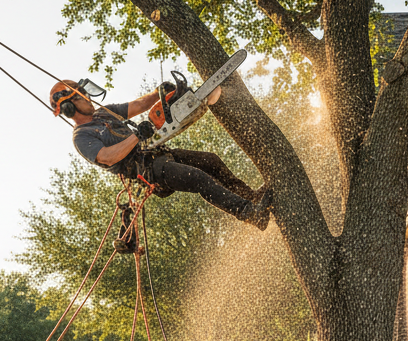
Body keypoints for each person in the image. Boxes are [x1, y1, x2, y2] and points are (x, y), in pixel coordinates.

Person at [49, 79, 273, 230]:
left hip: (158, 154)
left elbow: (139, 104)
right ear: (69, 107)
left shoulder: (105, 112)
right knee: (198, 178)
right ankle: (250, 214)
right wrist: (136, 136)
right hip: (147, 172)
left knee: (210, 161)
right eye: (82, 97)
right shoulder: (81, 136)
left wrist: (159, 92)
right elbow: (107, 157)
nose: (88, 99)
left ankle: (252, 197)